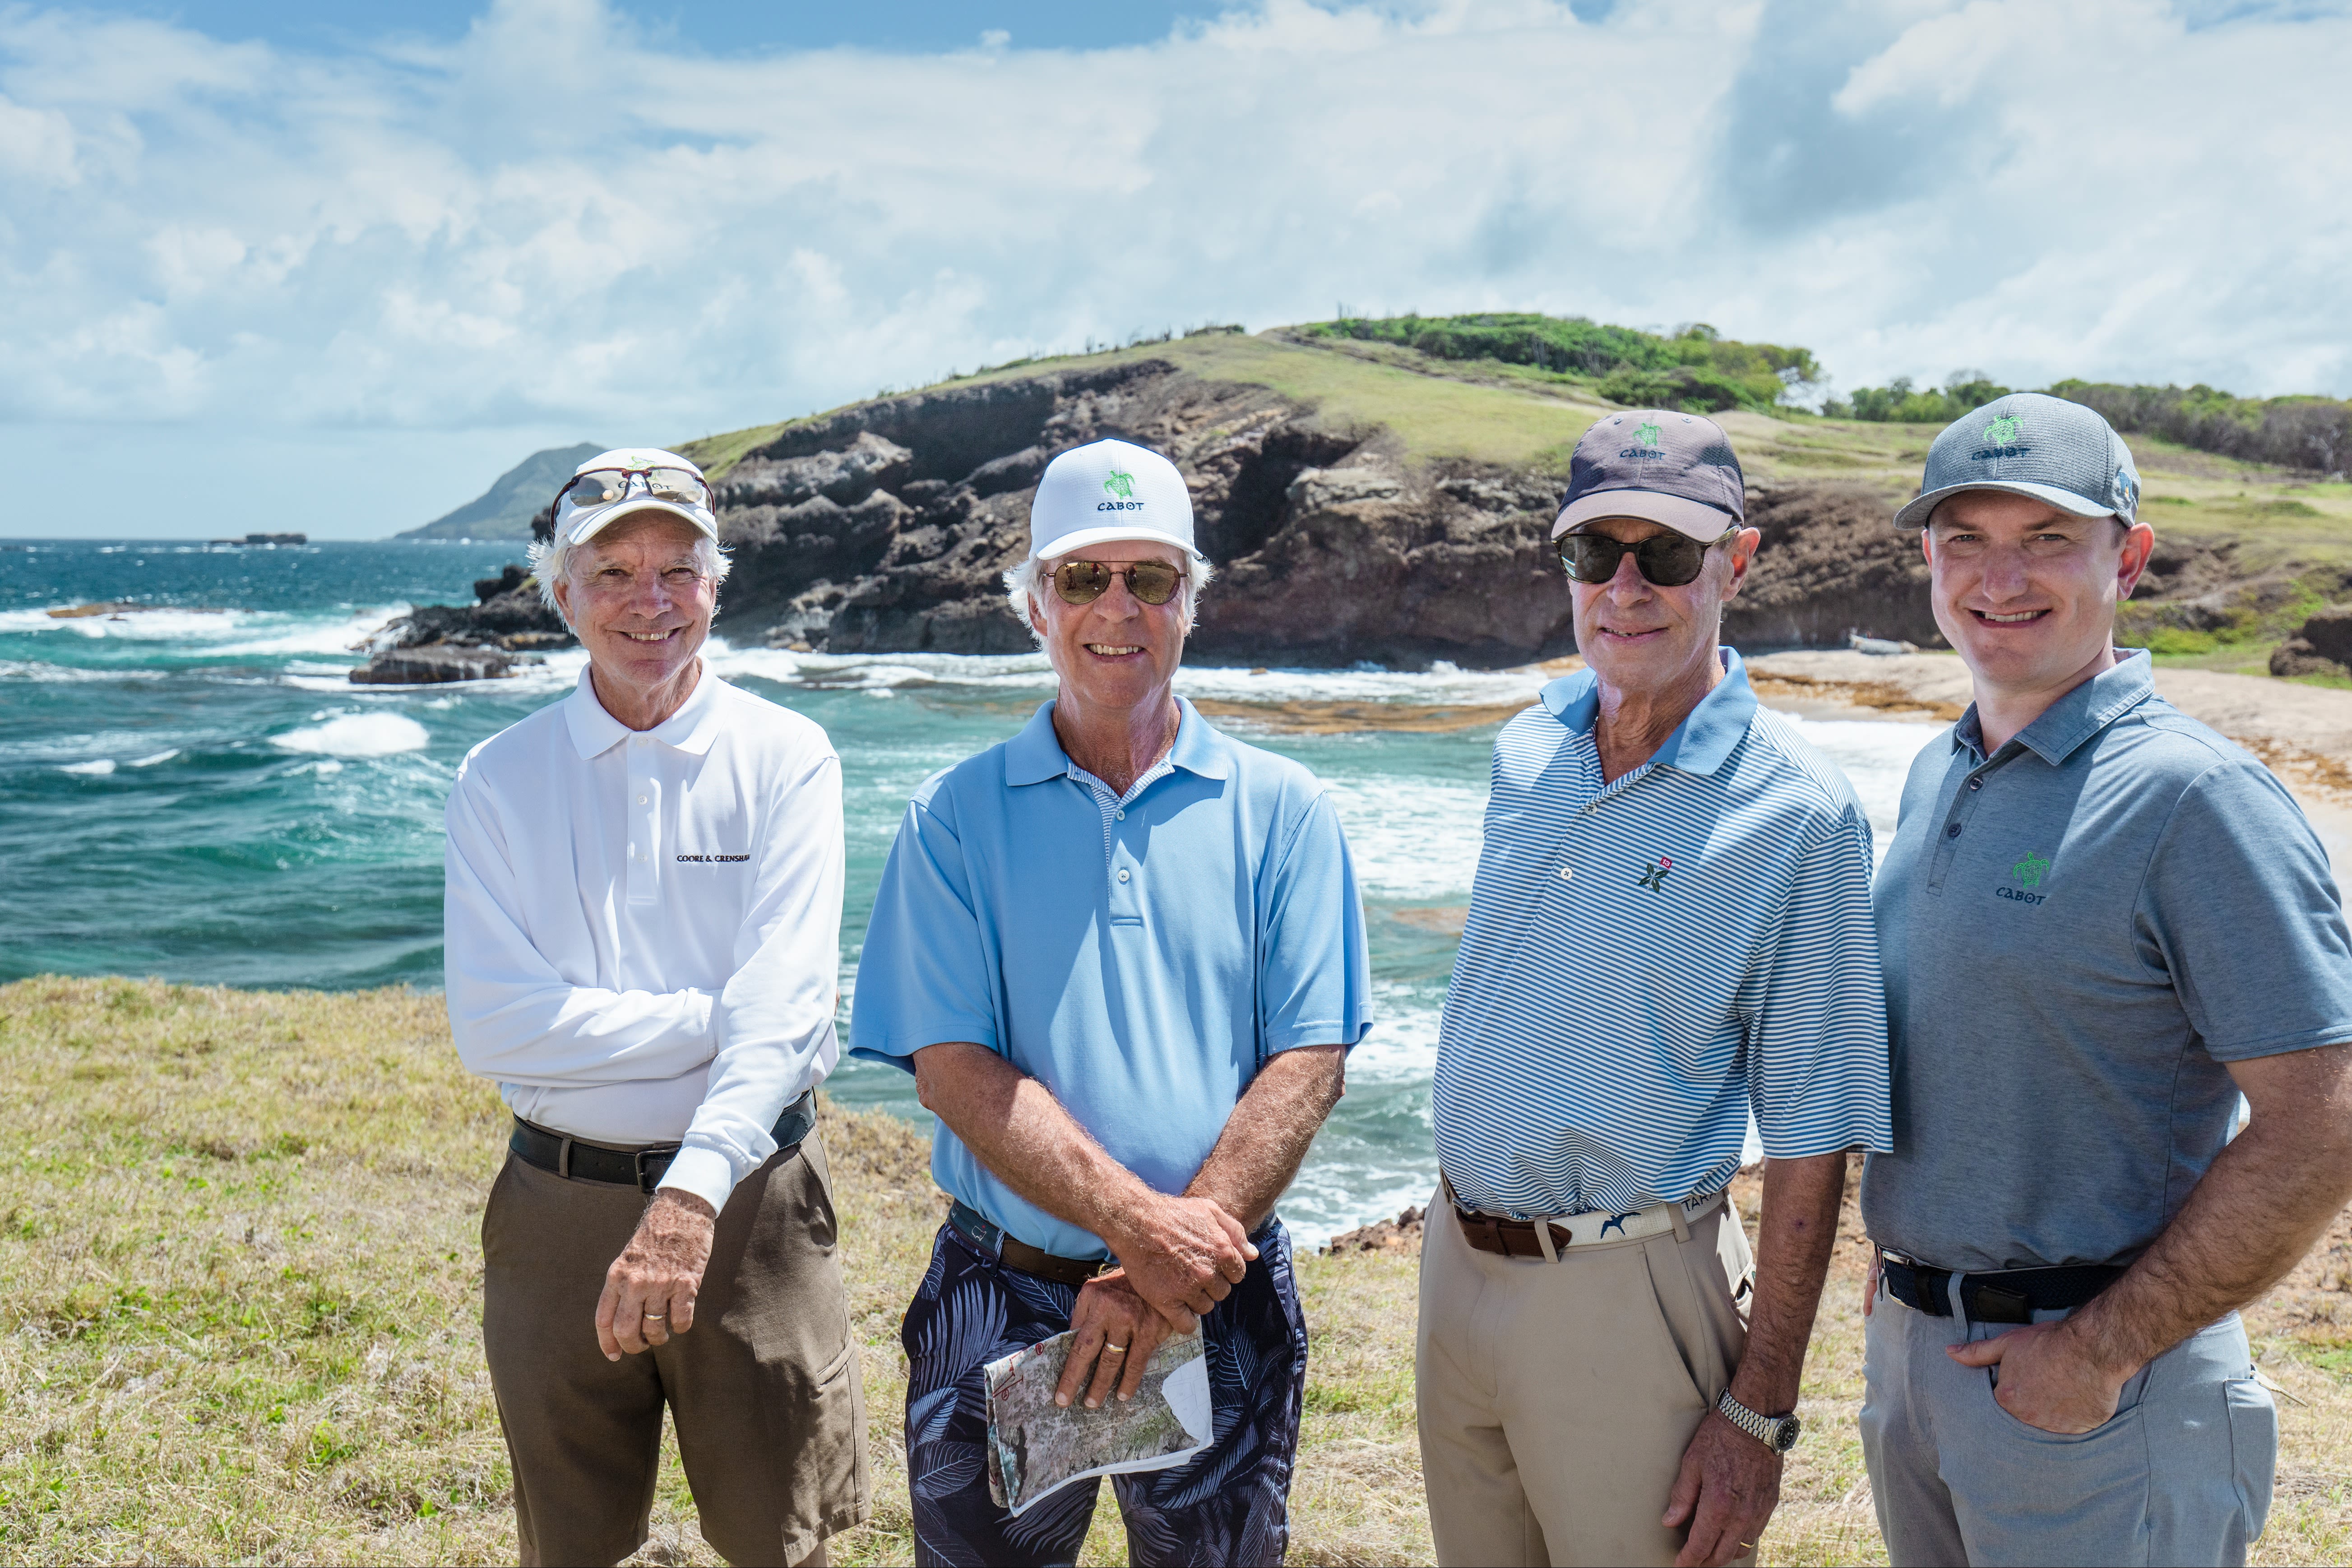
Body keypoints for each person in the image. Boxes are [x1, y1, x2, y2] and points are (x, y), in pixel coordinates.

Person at [850, 437, 1374, 1567]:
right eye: (1084, 578)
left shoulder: (1285, 812)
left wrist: (1157, 1273)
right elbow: (950, 1067)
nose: (1117, 608)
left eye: (1152, 578)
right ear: (1035, 605)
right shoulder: (951, 818)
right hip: (1006, 1299)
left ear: (1191, 602)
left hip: (1212, 1296)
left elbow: (1310, 1059)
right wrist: (1141, 1235)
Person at [1859, 393, 2352, 1566]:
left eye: (2044, 538)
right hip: (1920, 1366)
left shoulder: (2194, 796)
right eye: (1964, 539)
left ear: (2125, 556)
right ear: (1927, 560)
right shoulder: (1941, 769)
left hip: (2095, 1391)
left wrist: (2091, 1354)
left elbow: (2322, 1121)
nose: (1999, 576)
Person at [1420, 411, 1894, 1568]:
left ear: (1735, 561)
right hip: (1454, 1269)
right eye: (1596, 554)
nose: (1625, 587)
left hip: (1626, 1291)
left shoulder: (1799, 811)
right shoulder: (1525, 747)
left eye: (1667, 555)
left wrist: (1757, 1410)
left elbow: (1813, 1133)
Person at [443, 448, 868, 1567]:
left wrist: (688, 1194)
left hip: (750, 1211)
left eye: (678, 569)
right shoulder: (499, 775)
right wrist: (722, 1020)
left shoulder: (788, 757)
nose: (651, 601)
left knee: (782, 1542)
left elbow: (788, 1015)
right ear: (562, 593)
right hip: (555, 1208)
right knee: (568, 1547)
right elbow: (492, 1024)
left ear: (715, 587)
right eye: (616, 571)